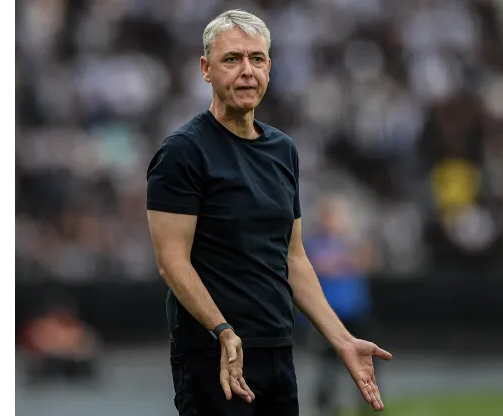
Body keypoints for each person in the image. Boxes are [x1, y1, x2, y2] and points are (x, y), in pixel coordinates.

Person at [145, 9, 392, 416]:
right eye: (232, 59)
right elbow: (172, 261)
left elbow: (293, 258)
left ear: (270, 68)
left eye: (256, 59)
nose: (247, 71)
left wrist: (342, 339)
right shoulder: (183, 152)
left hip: (277, 351)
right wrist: (221, 330)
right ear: (206, 69)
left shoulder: (283, 150)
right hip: (216, 356)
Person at [303, 195, 379, 416]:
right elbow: (320, 266)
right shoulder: (313, 242)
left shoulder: (351, 241)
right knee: (327, 364)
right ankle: (327, 405)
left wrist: (343, 258)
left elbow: (369, 261)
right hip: (329, 314)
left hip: (356, 311)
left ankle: (366, 401)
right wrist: (345, 260)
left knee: (366, 359)